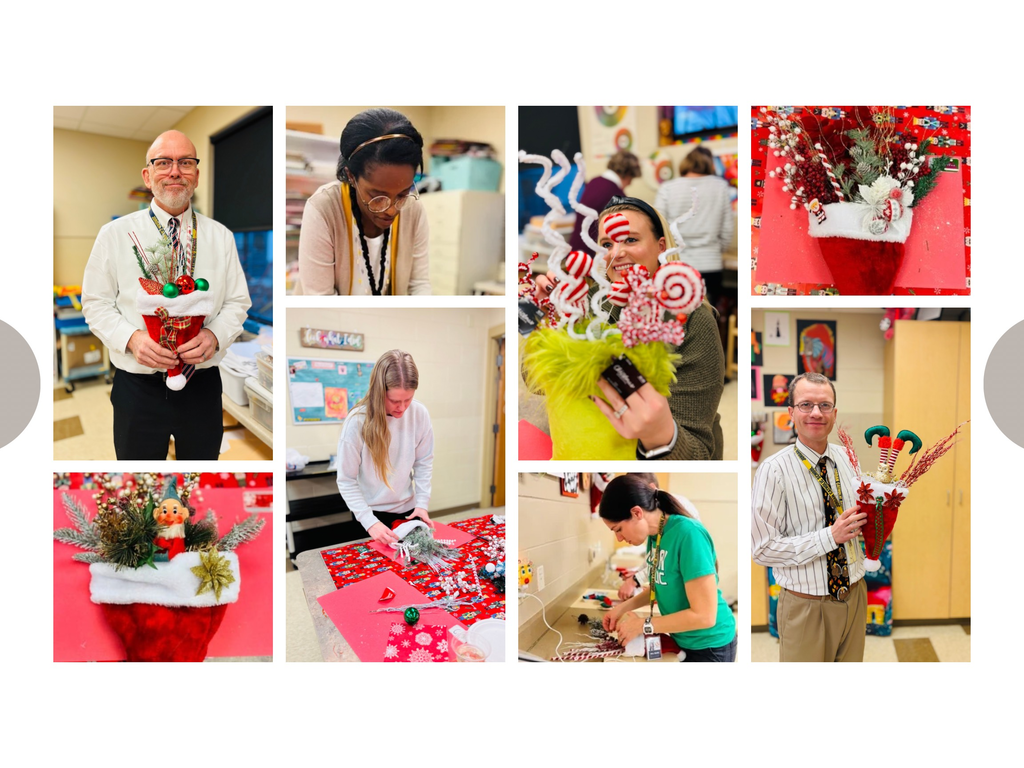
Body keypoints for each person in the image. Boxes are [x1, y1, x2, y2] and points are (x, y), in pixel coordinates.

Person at [81, 130, 251, 460]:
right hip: (137, 385)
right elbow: (95, 303)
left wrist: (215, 336)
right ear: (148, 175)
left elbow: (237, 302)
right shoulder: (114, 235)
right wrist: (131, 338)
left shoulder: (221, 237)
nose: (175, 171)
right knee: (139, 479)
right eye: (164, 162)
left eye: (185, 162)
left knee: (199, 477)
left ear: (197, 175)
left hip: (201, 384)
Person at [751, 372, 869, 662]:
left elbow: (858, 519)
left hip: (855, 595)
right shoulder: (774, 470)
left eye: (824, 405)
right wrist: (830, 537)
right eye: (806, 405)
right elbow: (762, 549)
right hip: (806, 606)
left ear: (834, 412)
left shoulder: (848, 458)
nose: (816, 412)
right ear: (790, 412)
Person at [600, 474, 737, 662]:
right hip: (684, 638)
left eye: (618, 529)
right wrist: (621, 609)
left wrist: (644, 625)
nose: (619, 539)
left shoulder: (689, 534)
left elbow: (705, 616)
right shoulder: (656, 535)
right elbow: (661, 587)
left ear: (637, 513)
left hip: (710, 644)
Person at [298, 108, 430, 295]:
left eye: (402, 194)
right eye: (377, 196)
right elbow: (320, 297)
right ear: (351, 176)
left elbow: (419, 285)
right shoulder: (324, 207)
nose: (391, 210)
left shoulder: (414, 209)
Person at [336, 350, 434, 545]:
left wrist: (422, 504)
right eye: (395, 401)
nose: (402, 407)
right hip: (369, 515)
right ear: (379, 391)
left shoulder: (419, 414)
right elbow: (346, 480)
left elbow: (423, 463)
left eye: (408, 399)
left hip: (408, 511)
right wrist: (370, 522)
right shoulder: (357, 422)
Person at [653, 146, 734, 309]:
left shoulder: (667, 188)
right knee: (707, 318)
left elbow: (658, 227)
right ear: (709, 165)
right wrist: (715, 250)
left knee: (675, 316)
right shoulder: (721, 187)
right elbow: (727, 230)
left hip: (676, 264)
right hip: (710, 264)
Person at [616, 473, 699, 600]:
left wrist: (636, 579)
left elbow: (667, 560)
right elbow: (654, 556)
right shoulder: (654, 521)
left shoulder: (679, 522)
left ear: (651, 489)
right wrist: (639, 573)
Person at [568, 150, 640, 254]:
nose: (629, 183)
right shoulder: (616, 194)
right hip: (592, 253)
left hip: (576, 248)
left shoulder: (594, 181)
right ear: (628, 173)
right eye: (631, 179)